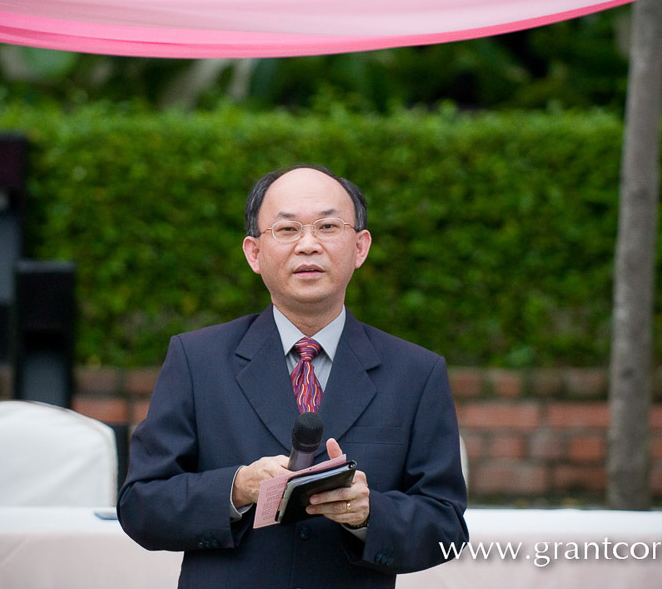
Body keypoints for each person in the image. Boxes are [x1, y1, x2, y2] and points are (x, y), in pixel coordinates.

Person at [118, 164, 468, 588]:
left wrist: (369, 512)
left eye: (327, 226)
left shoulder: (416, 373)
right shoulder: (197, 360)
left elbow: (446, 527)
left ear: (360, 247)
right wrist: (236, 488)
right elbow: (140, 504)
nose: (308, 245)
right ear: (254, 253)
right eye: (286, 230)